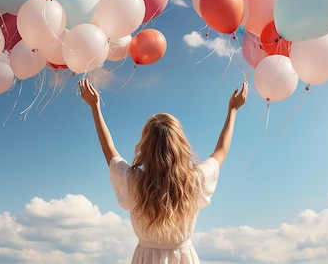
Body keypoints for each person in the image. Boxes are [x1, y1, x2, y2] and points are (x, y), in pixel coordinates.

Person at [79, 78, 248, 264]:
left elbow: (108, 150)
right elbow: (221, 151)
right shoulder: (194, 181)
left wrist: (95, 107)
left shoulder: (133, 180)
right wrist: (232, 110)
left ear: (145, 145)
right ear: (180, 144)